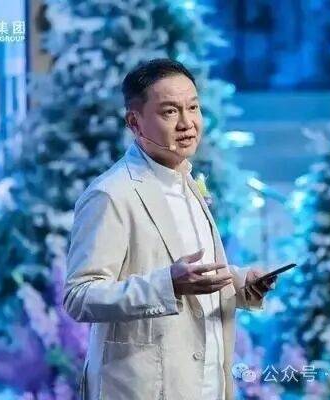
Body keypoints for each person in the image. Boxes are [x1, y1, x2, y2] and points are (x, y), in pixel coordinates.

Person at [64, 58, 276, 400]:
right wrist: (167, 285)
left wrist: (241, 283)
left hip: (208, 384)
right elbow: (80, 296)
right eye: (169, 112)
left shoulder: (187, 180)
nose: (187, 123)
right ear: (134, 122)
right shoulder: (111, 194)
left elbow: (191, 274)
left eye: (193, 107)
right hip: (143, 389)